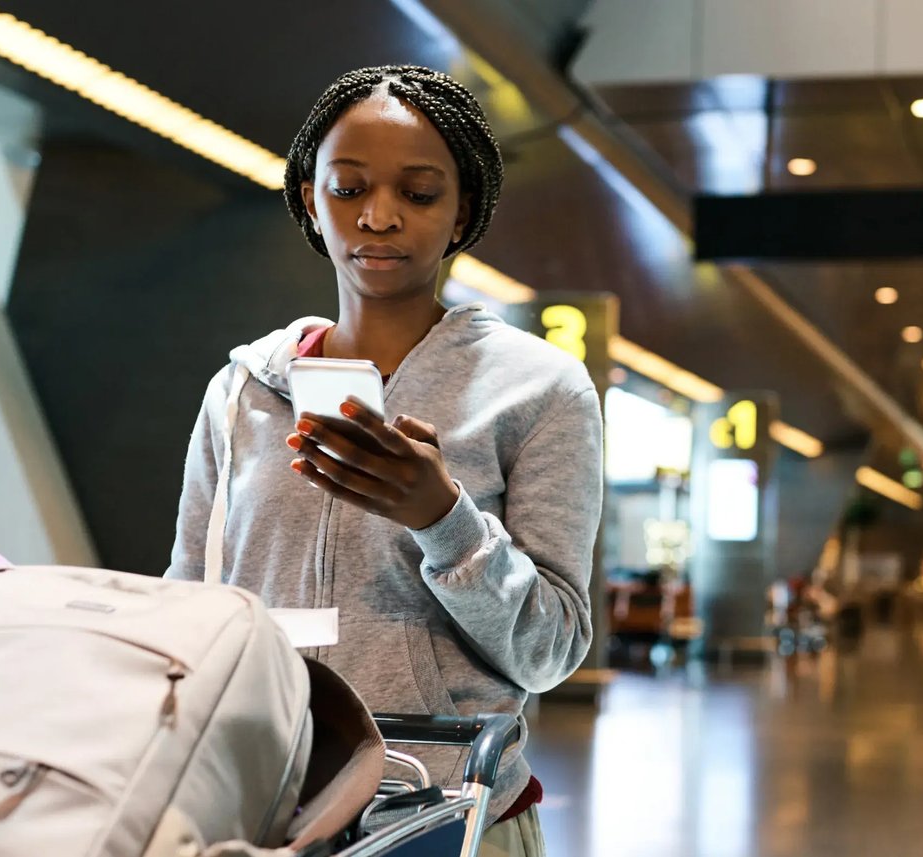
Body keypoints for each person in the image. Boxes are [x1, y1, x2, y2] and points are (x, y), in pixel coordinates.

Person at [167, 65, 602, 856]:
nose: (378, 217)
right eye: (348, 187)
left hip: (445, 815)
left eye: (419, 192)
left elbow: (552, 647)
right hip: (260, 808)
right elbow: (188, 603)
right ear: (310, 198)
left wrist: (444, 519)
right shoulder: (241, 392)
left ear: (463, 206)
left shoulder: (542, 390)